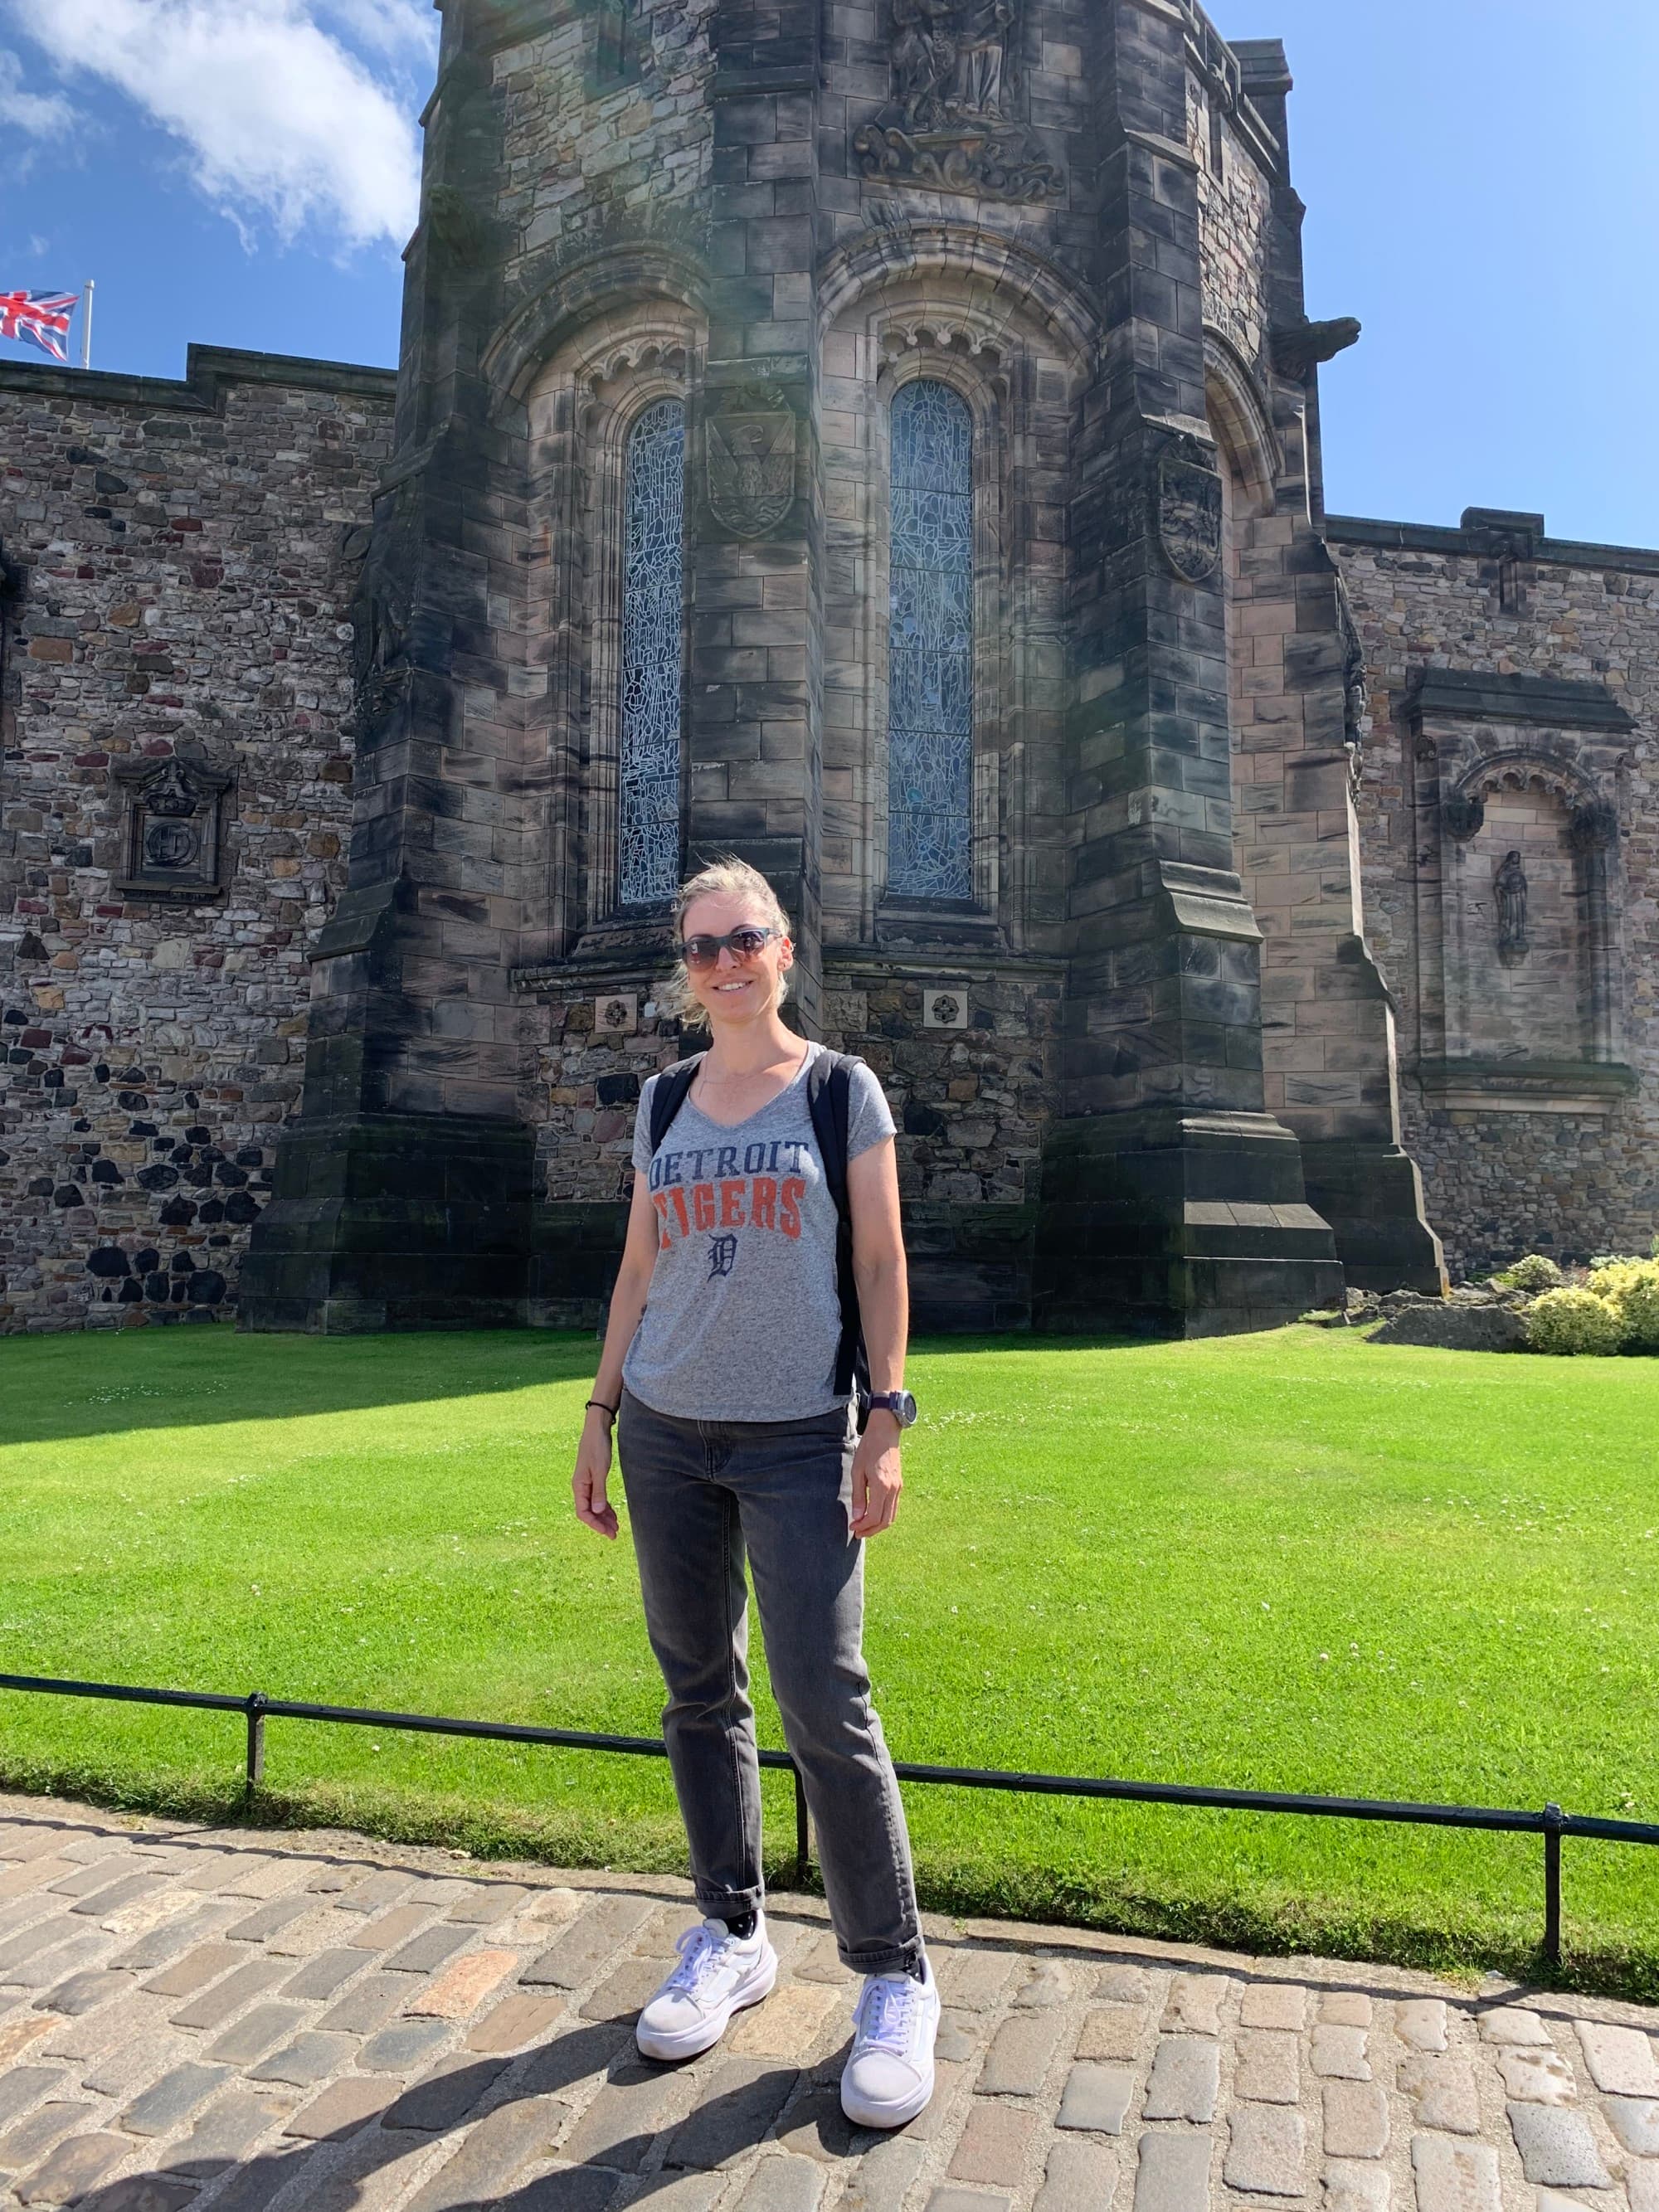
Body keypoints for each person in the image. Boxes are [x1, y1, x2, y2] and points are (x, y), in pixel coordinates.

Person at [572, 855, 939, 2128]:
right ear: (686, 968)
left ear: (786, 950)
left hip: (797, 1436)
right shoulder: (663, 1099)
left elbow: (883, 1266)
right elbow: (635, 1270)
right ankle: (731, 1930)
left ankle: (893, 1975)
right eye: (704, 947)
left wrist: (883, 1421)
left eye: (746, 941)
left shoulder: (842, 1090)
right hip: (667, 1430)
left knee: (825, 1703)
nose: (725, 963)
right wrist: (599, 1415)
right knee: (696, 1692)